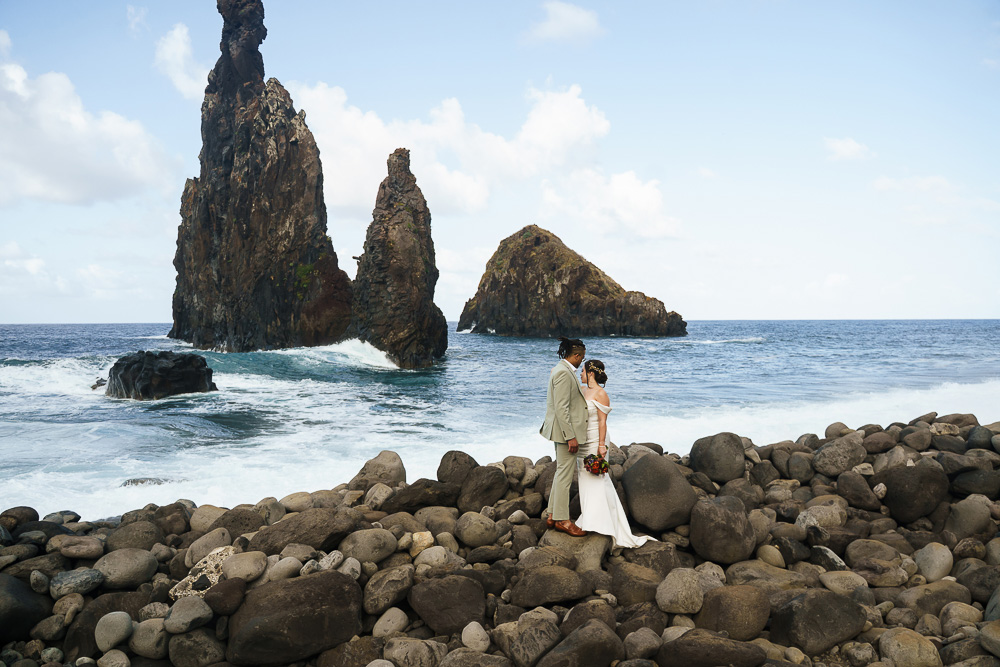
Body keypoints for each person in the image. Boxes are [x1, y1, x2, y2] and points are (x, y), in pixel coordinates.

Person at [575, 359, 653, 549]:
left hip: (596, 440)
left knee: (597, 477)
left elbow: (603, 422)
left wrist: (601, 445)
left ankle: (605, 524)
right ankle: (590, 518)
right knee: (584, 478)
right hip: (583, 441)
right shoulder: (583, 390)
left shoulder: (601, 394)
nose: (581, 374)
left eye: (583, 371)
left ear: (591, 373)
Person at [539, 336, 588, 536]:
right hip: (564, 433)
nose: (582, 362)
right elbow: (562, 408)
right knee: (565, 477)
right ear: (576, 356)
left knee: (561, 473)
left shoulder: (561, 370)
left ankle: (552, 515)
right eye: (582, 358)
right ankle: (563, 520)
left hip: (560, 431)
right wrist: (571, 436)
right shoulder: (563, 373)